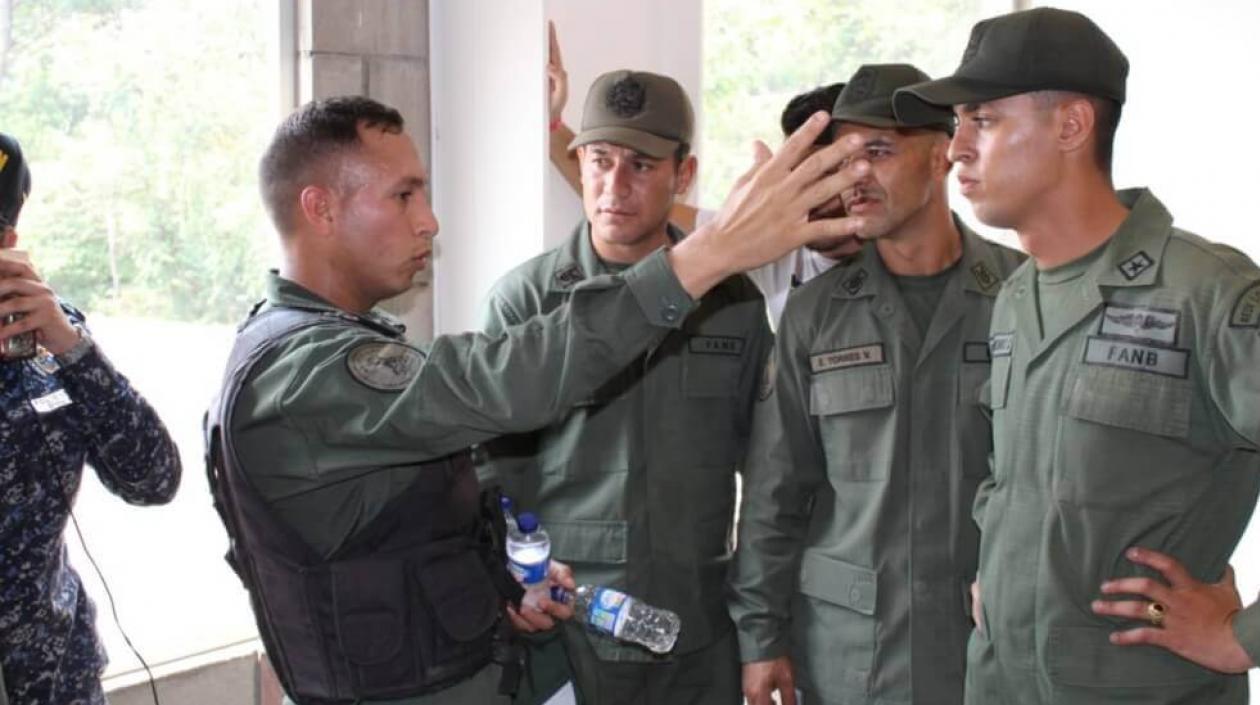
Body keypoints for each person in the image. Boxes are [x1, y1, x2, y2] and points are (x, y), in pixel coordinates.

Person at [204, 96, 872, 705]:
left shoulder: (328, 350)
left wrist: (503, 565)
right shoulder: (300, 374)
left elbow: (411, 518)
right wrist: (708, 254)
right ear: (319, 208)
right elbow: (510, 377)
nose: (429, 221)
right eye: (404, 195)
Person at [894, 7, 1260, 704]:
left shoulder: (1206, 294)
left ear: (1070, 125)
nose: (954, 149)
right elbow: (1021, 478)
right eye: (958, 125)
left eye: (984, 120)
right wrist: (1000, 574)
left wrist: (1242, 635)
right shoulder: (1014, 296)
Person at [728, 64, 1024, 705]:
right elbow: (775, 491)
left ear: (942, 155)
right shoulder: (814, 313)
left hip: (986, 641)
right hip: (849, 651)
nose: (855, 175)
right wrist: (760, 637)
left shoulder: (1020, 295)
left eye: (879, 152)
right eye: (844, 158)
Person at [481, 67, 770, 705]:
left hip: (696, 635)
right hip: (564, 635)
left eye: (641, 165)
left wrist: (761, 624)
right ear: (579, 161)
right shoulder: (525, 303)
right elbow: (488, 479)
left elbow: (772, 476)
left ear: (683, 175)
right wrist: (505, 585)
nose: (614, 187)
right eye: (599, 160)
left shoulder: (731, 303)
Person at [0, 133, 182, 705]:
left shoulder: (49, 335)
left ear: (8, 240)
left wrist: (73, 349)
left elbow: (153, 480)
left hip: (53, 675)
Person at [545, 22, 857, 324]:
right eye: (797, 168)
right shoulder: (774, 248)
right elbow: (634, 203)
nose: (810, 186)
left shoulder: (898, 256)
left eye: (827, 169)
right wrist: (551, 122)